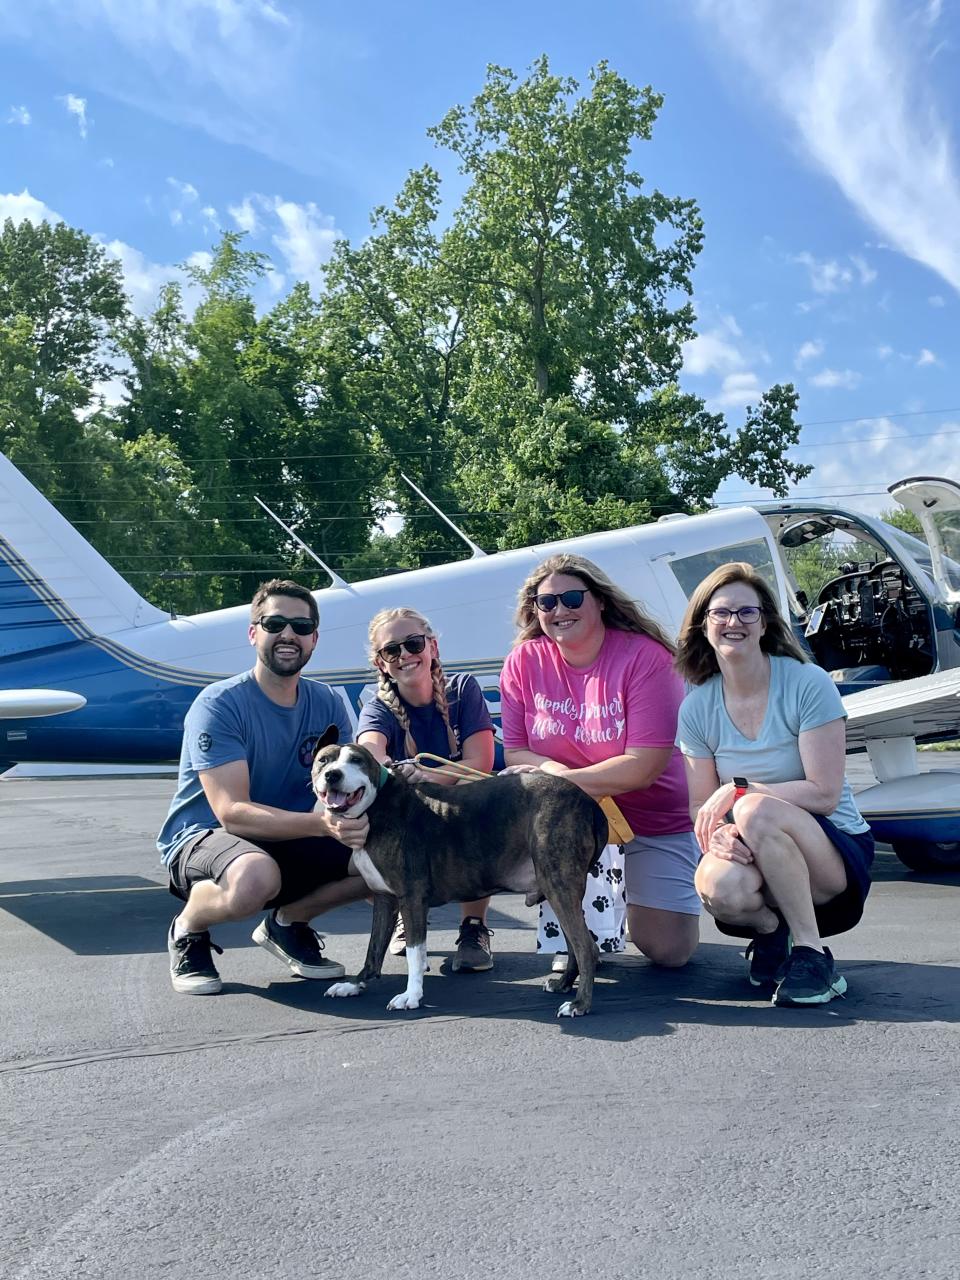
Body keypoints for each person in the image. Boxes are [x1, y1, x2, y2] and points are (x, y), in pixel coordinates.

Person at [674, 561, 875, 1007]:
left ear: (764, 622)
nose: (734, 623)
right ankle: (772, 932)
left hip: (832, 852)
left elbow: (823, 793)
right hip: (756, 845)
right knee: (719, 886)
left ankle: (812, 953)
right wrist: (720, 833)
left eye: (747, 612)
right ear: (703, 624)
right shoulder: (696, 707)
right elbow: (698, 808)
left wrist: (741, 791)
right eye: (721, 613)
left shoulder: (807, 683)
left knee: (753, 808)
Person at [157, 578, 370, 995]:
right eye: (274, 623)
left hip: (288, 834)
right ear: (254, 632)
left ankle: (287, 924)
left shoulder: (327, 703)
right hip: (205, 837)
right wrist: (325, 826)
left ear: (314, 640)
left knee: (382, 860)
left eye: (301, 627)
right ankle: (189, 928)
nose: (288, 634)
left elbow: (338, 792)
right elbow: (231, 811)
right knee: (255, 877)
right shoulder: (220, 704)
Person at [498, 554, 700, 970]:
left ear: (601, 600)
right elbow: (515, 751)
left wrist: (557, 782)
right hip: (573, 821)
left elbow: (643, 767)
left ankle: (642, 902)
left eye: (571, 598)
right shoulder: (523, 661)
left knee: (669, 952)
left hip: (651, 820)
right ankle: (591, 926)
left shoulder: (647, 657)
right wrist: (555, 775)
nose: (559, 610)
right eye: (546, 602)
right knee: (577, 950)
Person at [357, 607, 497, 972]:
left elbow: (480, 762)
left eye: (413, 643)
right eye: (392, 651)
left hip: (455, 810)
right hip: (413, 816)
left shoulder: (463, 688)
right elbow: (371, 750)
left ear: (432, 647)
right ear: (381, 663)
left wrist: (426, 777)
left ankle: (474, 926)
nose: (404, 655)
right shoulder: (377, 708)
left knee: (475, 796)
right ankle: (406, 908)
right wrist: (386, 764)